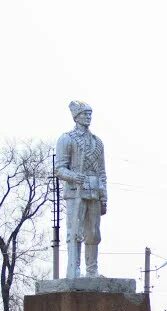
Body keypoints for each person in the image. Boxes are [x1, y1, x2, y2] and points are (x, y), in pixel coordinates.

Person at [55, 100, 107, 278]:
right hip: (75, 192)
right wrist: (73, 176)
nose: (88, 117)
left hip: (94, 192)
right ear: (76, 116)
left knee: (93, 233)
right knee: (75, 232)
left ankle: (92, 271)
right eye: (85, 114)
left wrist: (104, 196)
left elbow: (102, 173)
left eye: (90, 114)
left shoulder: (97, 142)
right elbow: (59, 168)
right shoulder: (66, 139)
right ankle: (73, 271)